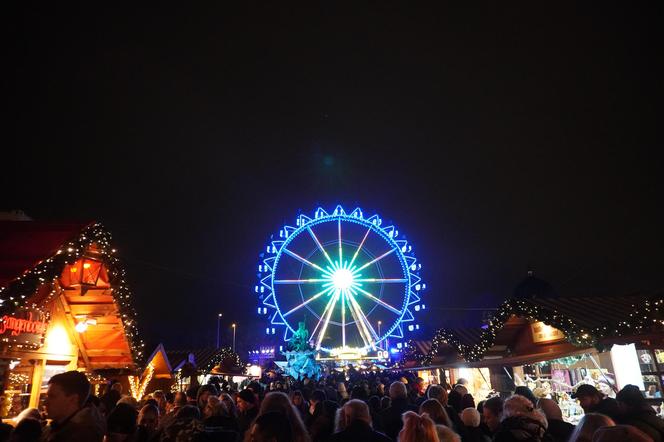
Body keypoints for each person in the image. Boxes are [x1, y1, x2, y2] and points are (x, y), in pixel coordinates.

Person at [42, 370, 104, 442]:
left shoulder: (79, 435)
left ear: (73, 399)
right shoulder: (61, 426)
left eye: (52, 396)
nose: (45, 402)